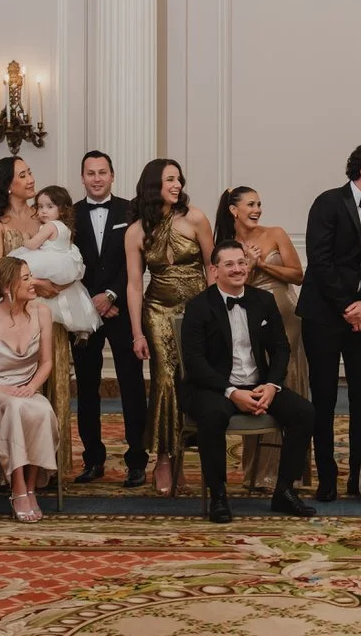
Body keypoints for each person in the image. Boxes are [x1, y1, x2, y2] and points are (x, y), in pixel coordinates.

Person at [179, 240, 317, 524]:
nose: (238, 269)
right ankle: (218, 495)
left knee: (304, 412)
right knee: (213, 416)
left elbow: (281, 348)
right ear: (214, 270)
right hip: (214, 386)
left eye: (241, 262)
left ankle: (284, 491)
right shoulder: (198, 306)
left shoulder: (262, 300)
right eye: (229, 264)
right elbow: (195, 363)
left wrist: (271, 386)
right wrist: (231, 393)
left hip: (258, 384)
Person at [296, 142, 361, 502]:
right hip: (323, 316)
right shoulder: (327, 202)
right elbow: (319, 262)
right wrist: (347, 306)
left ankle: (358, 475)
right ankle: (326, 476)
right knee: (322, 397)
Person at [0, 157, 73, 478]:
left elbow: (67, 254)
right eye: (23, 174)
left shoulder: (43, 215)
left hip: (49, 314)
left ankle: (45, 470)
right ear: (8, 185)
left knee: (51, 383)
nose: (31, 178)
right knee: (15, 386)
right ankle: (9, 470)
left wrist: (60, 282)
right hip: (9, 318)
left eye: (31, 171)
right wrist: (37, 283)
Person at [126, 158, 213, 495]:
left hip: (197, 311)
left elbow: (212, 267)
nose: (177, 185)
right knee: (164, 380)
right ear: (153, 185)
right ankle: (164, 458)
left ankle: (194, 458)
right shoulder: (136, 231)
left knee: (195, 378)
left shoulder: (196, 218)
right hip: (158, 310)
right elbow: (134, 285)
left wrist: (213, 315)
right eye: (169, 180)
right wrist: (137, 333)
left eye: (179, 179)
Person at [215, 185, 309, 490]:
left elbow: (298, 274)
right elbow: (230, 287)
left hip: (287, 319)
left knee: (287, 384)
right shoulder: (228, 245)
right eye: (251, 204)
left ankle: (289, 473)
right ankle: (259, 471)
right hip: (252, 323)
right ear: (234, 210)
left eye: (259, 204)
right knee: (258, 385)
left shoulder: (276, 233)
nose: (257, 210)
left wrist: (262, 264)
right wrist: (246, 268)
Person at [0, 257, 60, 522]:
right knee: (15, 407)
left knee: (41, 408)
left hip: (23, 392)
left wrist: (31, 387)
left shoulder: (42, 312)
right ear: (7, 287)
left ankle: (30, 486)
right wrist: (2, 389)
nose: (33, 282)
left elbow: (47, 362)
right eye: (26, 278)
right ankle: (16, 488)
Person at [71, 151, 145, 486]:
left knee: (131, 385)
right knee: (86, 388)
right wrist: (91, 300)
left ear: (113, 176)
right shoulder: (69, 215)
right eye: (91, 173)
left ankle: (137, 460)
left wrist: (112, 295)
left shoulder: (131, 211)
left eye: (103, 172)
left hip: (121, 307)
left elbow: (137, 262)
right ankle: (92, 459)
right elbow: (67, 263)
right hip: (84, 311)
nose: (97, 178)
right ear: (82, 177)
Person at [12, 186, 98, 340]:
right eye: (40, 206)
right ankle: (81, 329)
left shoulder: (50, 226)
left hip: (49, 262)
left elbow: (33, 245)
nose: (43, 211)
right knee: (71, 296)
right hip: (64, 264)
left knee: (21, 270)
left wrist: (24, 238)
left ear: (62, 209)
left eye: (50, 206)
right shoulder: (65, 227)